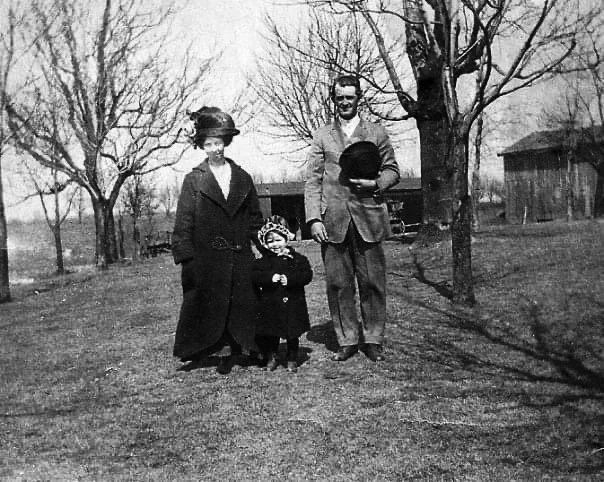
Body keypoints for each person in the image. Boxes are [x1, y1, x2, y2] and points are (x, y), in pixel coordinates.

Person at [304, 74, 400, 362]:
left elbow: (393, 170)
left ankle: (373, 339)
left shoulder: (377, 133)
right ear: (334, 99)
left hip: (368, 217)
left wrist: (377, 184)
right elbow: (312, 180)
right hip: (332, 220)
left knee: (373, 282)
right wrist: (313, 219)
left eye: (350, 96)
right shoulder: (322, 136)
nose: (345, 102)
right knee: (338, 283)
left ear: (359, 98)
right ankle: (346, 339)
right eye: (340, 97)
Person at [172, 106, 263, 374]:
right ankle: (216, 348)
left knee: (241, 301)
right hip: (207, 256)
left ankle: (243, 345)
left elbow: (255, 218)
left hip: (239, 253)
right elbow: (184, 219)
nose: (215, 148)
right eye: (209, 143)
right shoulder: (194, 180)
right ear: (202, 146)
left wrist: (266, 244)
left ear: (227, 142)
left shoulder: (243, 177)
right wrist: (186, 256)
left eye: (219, 142)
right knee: (210, 301)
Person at [252, 216, 313, 373]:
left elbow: (307, 275)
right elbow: (255, 277)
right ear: (265, 243)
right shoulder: (262, 262)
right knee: (272, 333)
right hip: (271, 304)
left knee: (292, 332)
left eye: (278, 240)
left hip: (293, 303)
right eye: (270, 241)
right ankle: (272, 356)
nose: (275, 245)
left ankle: (292, 357)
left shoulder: (297, 259)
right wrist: (269, 278)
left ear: (286, 239)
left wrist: (291, 279)